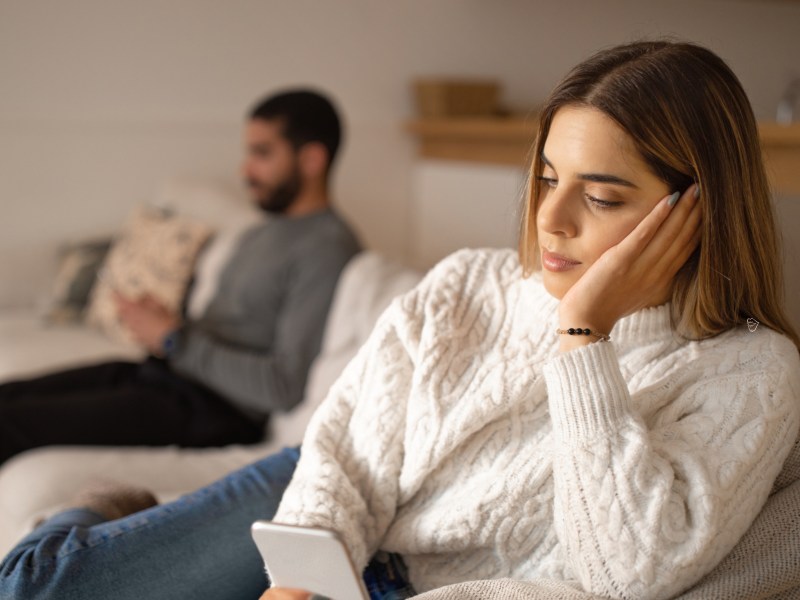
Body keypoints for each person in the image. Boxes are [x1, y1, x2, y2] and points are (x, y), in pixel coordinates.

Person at [1, 40, 798, 600]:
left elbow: (628, 574)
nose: (549, 219)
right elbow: (349, 445)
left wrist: (584, 340)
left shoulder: (748, 371)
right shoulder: (466, 284)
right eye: (547, 178)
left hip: (398, 582)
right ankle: (103, 511)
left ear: (698, 212)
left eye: (600, 197)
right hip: (321, 508)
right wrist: (297, 575)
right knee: (36, 586)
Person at [0, 90, 361, 464]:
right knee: (7, 395)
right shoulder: (261, 231)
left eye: (262, 153)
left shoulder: (326, 250)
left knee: (8, 423)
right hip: (169, 374)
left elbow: (282, 386)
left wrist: (175, 340)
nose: (245, 170)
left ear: (312, 159)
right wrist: (166, 327)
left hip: (212, 408)